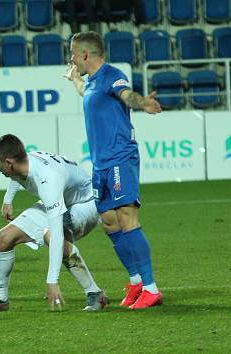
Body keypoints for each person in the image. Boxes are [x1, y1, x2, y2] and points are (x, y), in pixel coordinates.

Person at [65, 31, 162, 309]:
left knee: (127, 217)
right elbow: (90, 94)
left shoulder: (112, 75)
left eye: (73, 54)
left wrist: (142, 102)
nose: (71, 59)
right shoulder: (94, 84)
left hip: (120, 157)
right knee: (109, 221)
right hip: (101, 163)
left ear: (85, 54)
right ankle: (135, 282)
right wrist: (75, 81)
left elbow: (125, 94)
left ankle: (151, 288)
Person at [0, 135, 108, 313]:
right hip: (61, 198)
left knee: (51, 235)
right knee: (4, 237)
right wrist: (8, 200)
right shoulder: (24, 161)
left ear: (9, 162)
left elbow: (56, 233)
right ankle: (0, 299)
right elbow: (16, 176)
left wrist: (52, 281)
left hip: (86, 203)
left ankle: (95, 293)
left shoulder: (47, 180)